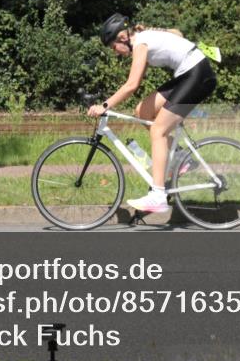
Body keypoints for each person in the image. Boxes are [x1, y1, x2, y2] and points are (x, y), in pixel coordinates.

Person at [88, 13, 217, 213]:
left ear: (123, 38)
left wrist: (105, 106)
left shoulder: (140, 43)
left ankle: (158, 196)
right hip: (187, 75)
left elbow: (132, 85)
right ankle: (183, 157)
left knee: (157, 131)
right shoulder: (142, 40)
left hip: (198, 75)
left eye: (114, 47)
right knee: (142, 110)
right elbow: (137, 81)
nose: (115, 52)